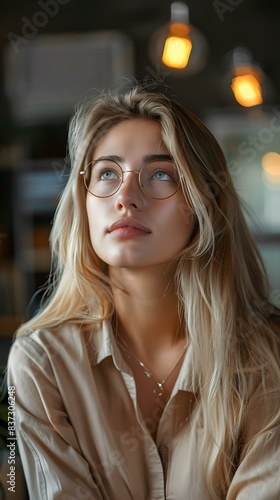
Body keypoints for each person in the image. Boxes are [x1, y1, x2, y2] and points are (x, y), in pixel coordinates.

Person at [8, 81, 280, 500]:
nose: (126, 198)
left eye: (160, 174)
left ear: (204, 202)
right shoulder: (41, 363)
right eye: (107, 174)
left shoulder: (268, 356)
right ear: (83, 201)